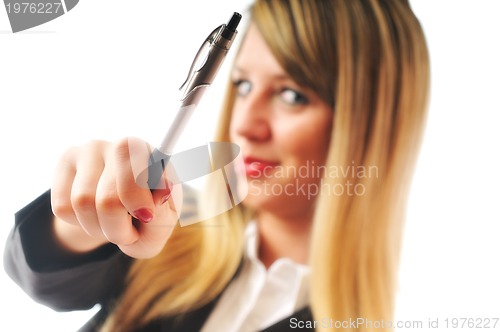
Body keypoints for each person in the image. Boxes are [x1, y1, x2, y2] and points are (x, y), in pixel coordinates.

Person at [4, 0, 429, 331]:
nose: (244, 124)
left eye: (292, 95)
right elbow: (42, 275)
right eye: (243, 85)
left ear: (371, 124)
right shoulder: (170, 226)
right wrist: (87, 214)